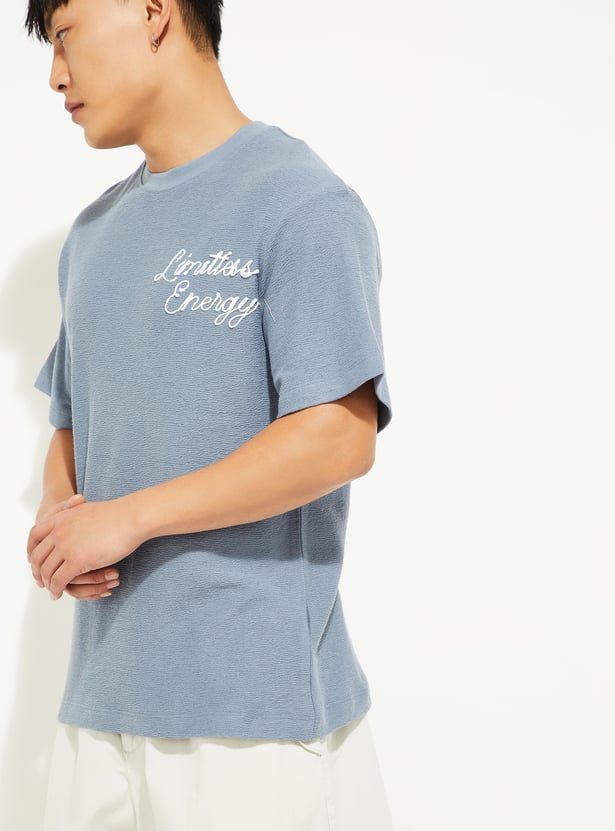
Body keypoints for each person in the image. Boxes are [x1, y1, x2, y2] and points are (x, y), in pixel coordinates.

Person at [24, 0, 395, 828]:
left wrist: (128, 518)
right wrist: (60, 520)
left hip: (252, 720)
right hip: (98, 705)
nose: (54, 76)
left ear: (152, 11)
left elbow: (337, 436)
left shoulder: (301, 201)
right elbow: (73, 419)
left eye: (66, 36)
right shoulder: (93, 235)